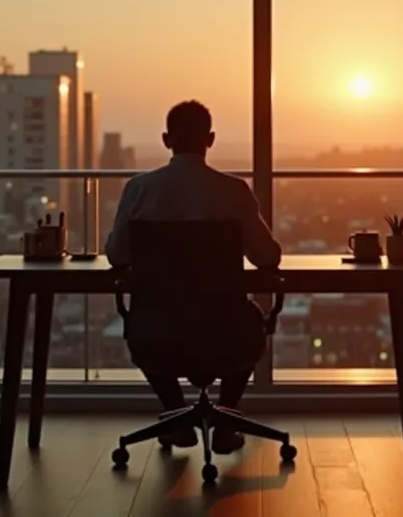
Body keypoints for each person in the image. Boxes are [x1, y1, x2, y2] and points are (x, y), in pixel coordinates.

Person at [105, 100, 282, 453]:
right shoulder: (233, 190)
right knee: (250, 321)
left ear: (166, 140)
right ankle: (226, 419)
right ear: (210, 139)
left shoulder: (139, 189)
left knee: (142, 325)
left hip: (158, 332)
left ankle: (176, 415)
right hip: (227, 331)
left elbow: (116, 255)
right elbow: (267, 257)